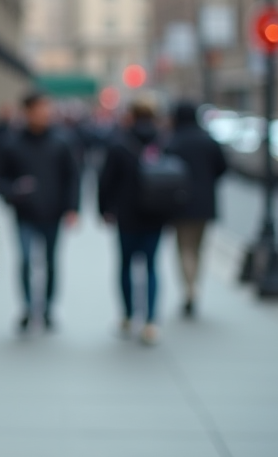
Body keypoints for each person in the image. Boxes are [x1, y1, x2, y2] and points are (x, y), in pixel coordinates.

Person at [0, 91, 79, 331]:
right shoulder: (11, 143)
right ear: (27, 112)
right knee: (25, 262)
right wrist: (14, 191)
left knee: (51, 262)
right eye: (40, 109)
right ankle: (27, 307)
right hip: (25, 214)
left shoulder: (62, 141)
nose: (45, 113)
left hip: (53, 213)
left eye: (47, 109)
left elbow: (72, 177)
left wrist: (73, 208)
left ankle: (48, 309)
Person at [97, 97, 166, 345]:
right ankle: (150, 322)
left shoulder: (119, 144)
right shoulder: (162, 142)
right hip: (156, 215)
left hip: (127, 216)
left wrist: (103, 209)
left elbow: (105, 181)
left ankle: (127, 316)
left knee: (126, 265)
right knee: (151, 266)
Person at [165, 100, 227, 318]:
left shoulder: (173, 141)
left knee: (184, 249)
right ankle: (194, 288)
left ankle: (189, 290)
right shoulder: (207, 140)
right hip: (204, 204)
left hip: (180, 203)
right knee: (198, 248)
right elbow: (222, 167)